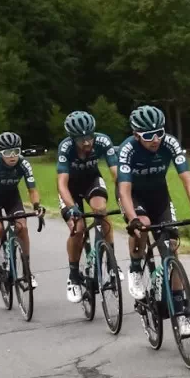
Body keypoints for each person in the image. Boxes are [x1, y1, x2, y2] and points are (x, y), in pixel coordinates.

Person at [116, 105, 190, 337]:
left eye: (159, 132)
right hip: (134, 197)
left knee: (171, 252)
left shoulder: (170, 143)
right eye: (148, 136)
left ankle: (180, 312)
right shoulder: (128, 149)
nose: (155, 139)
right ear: (137, 135)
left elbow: (187, 178)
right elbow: (124, 190)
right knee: (143, 226)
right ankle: (136, 268)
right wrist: (133, 219)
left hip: (160, 197)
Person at [56, 110, 118, 303]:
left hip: (92, 180)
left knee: (101, 211)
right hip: (71, 188)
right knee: (78, 228)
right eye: (81, 139)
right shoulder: (65, 148)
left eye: (89, 137)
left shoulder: (103, 141)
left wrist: (125, 199)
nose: (87, 142)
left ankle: (111, 264)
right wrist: (71, 206)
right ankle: (73, 275)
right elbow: (62, 184)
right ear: (72, 138)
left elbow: (117, 174)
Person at [0, 131, 43, 284]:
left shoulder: (24, 164)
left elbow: (32, 189)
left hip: (12, 197)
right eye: (8, 152)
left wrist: (37, 206)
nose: (12, 156)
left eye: (16, 151)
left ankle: (27, 271)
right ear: (0, 153)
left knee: (22, 227)